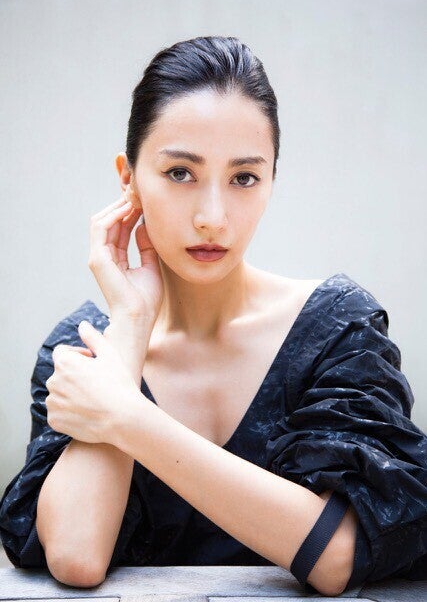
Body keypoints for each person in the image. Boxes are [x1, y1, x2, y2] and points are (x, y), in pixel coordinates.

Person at [0, 36, 426, 596]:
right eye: (180, 172)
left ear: (271, 181)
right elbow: (77, 556)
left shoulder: (338, 331)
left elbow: (336, 554)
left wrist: (124, 416)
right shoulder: (85, 350)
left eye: (244, 178)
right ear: (129, 179)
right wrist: (129, 327)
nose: (212, 217)